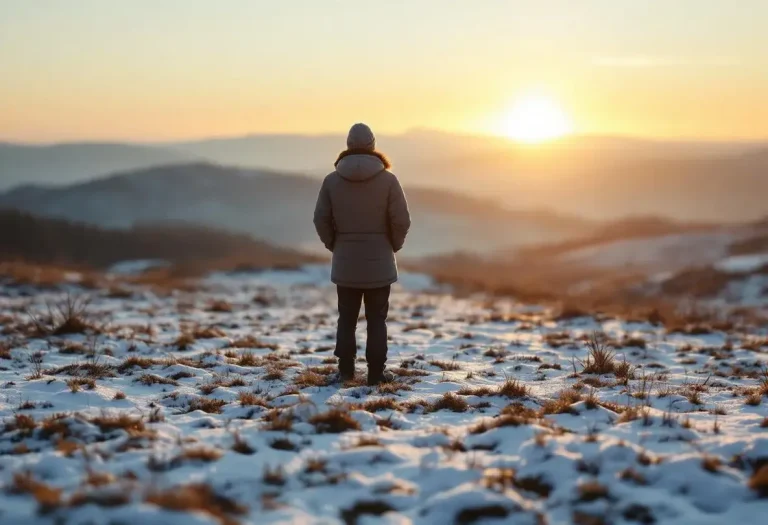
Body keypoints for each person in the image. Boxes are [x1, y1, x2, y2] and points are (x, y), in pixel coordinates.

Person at [313, 123, 411, 385]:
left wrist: (335, 244)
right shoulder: (389, 180)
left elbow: (320, 219)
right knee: (377, 320)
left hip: (345, 261)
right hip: (380, 262)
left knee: (346, 319)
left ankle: (345, 371)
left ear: (347, 145)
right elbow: (401, 220)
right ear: (373, 145)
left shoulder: (331, 181)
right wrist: (391, 245)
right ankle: (376, 374)